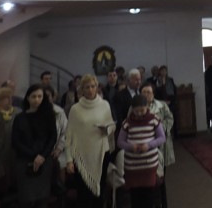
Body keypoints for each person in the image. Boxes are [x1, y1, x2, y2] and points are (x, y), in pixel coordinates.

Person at [65, 74, 115, 206]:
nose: (90, 90)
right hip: (82, 155)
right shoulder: (75, 109)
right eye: (87, 87)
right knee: (83, 194)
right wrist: (69, 160)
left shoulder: (105, 105)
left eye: (93, 86)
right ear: (82, 89)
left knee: (100, 191)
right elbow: (69, 135)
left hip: (101, 153)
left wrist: (107, 129)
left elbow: (112, 125)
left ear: (97, 87)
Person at [11, 84, 57, 208]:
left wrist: (42, 156)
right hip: (24, 160)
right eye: (34, 96)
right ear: (28, 98)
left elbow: (52, 137)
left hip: (44, 160)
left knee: (42, 199)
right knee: (25, 198)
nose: (37, 99)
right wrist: (34, 155)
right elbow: (15, 141)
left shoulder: (48, 115)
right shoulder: (19, 118)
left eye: (39, 96)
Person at [117, 94, 166, 208]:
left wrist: (148, 145)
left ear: (147, 107)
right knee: (135, 198)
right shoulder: (127, 122)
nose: (139, 114)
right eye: (136, 111)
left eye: (142, 110)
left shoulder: (154, 119)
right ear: (132, 109)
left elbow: (162, 138)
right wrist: (131, 147)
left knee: (148, 197)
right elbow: (120, 142)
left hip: (149, 166)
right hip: (132, 167)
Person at [141, 83, 174, 208]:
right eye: (144, 92)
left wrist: (161, 128)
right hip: (144, 146)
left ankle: (163, 204)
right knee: (147, 179)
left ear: (153, 94)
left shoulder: (162, 105)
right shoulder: (136, 106)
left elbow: (170, 119)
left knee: (160, 178)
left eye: (148, 92)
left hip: (161, 145)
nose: (146, 95)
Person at [153, 65, 176, 135]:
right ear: (160, 72)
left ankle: (171, 133)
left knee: (170, 117)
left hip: (170, 101)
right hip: (161, 102)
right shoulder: (157, 80)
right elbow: (157, 92)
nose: (163, 72)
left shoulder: (170, 79)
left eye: (165, 71)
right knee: (162, 118)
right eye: (162, 71)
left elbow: (173, 91)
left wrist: (171, 100)